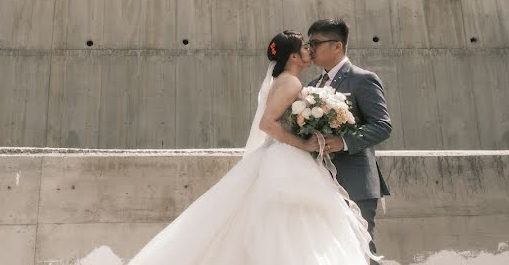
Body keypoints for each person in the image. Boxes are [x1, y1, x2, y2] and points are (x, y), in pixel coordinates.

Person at [128, 31, 378, 265]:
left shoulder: (285, 80)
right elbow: (267, 123)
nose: (309, 51)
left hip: (284, 157)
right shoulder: (290, 83)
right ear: (293, 56)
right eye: (304, 47)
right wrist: (303, 143)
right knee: (291, 224)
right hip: (288, 158)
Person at [306, 18, 391, 259]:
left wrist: (343, 142)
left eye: (315, 43)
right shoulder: (312, 86)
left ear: (337, 46)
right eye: (308, 43)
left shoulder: (363, 79)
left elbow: (382, 126)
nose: (309, 49)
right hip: (322, 183)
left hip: (356, 182)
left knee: (363, 252)